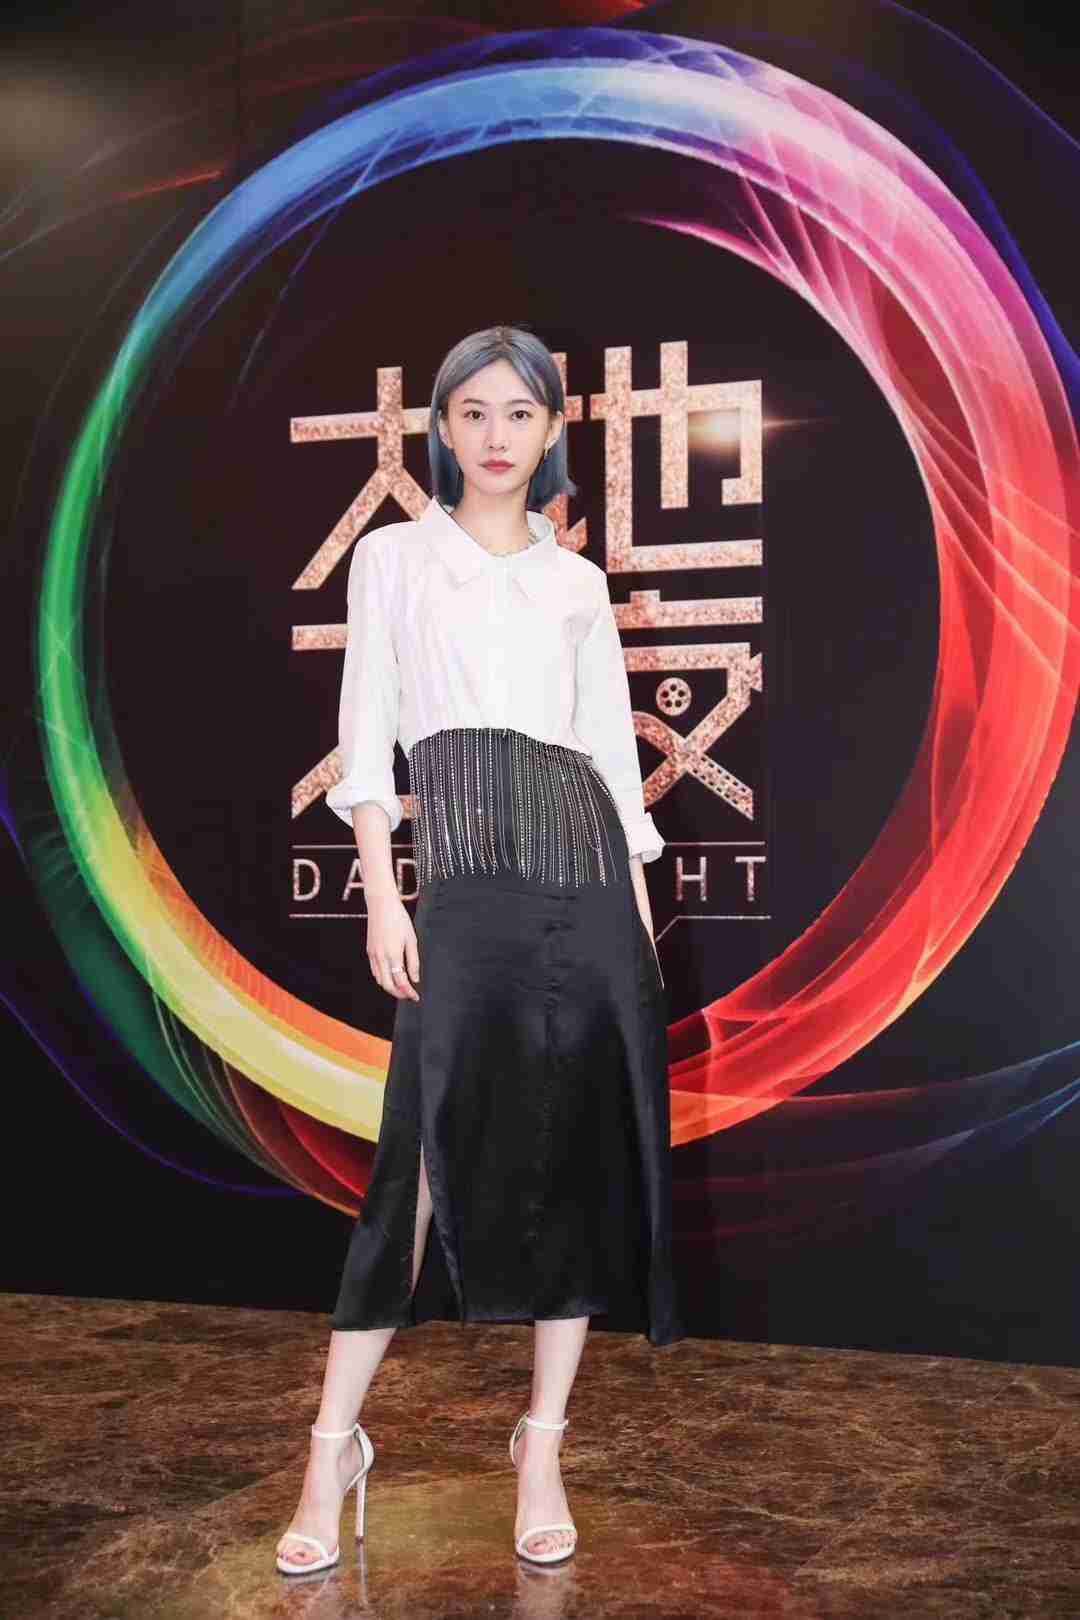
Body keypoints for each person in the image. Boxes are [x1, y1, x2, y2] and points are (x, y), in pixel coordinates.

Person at [276, 324, 682, 1577]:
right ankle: (331, 1448)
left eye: (519, 414)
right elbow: (367, 736)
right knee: (417, 1164)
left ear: (554, 427)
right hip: (461, 884)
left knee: (577, 1156)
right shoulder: (395, 558)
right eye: (473, 413)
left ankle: (542, 1444)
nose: (497, 436)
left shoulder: (576, 584)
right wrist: (384, 899)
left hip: (586, 882)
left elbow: (610, 756)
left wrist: (638, 925)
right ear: (441, 430)